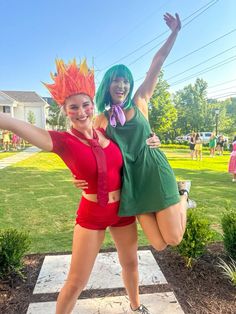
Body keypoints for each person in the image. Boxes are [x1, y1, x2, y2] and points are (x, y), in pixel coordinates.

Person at [0, 59, 151, 314]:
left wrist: (152, 139)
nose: (81, 112)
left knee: (131, 264)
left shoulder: (106, 130)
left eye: (85, 105)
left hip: (122, 211)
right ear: (64, 110)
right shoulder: (61, 141)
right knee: (76, 281)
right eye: (73, 107)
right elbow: (15, 123)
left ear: (93, 105)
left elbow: (135, 147)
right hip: (92, 215)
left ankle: (137, 307)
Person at [75, 13, 196, 252]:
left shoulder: (140, 101)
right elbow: (86, 151)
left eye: (126, 81)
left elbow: (157, 63)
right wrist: (78, 176)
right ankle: (181, 195)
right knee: (159, 245)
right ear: (108, 86)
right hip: (132, 184)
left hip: (154, 171)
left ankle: (183, 194)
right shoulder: (100, 120)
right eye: (116, 81)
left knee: (173, 238)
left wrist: (174, 33)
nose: (122, 86)